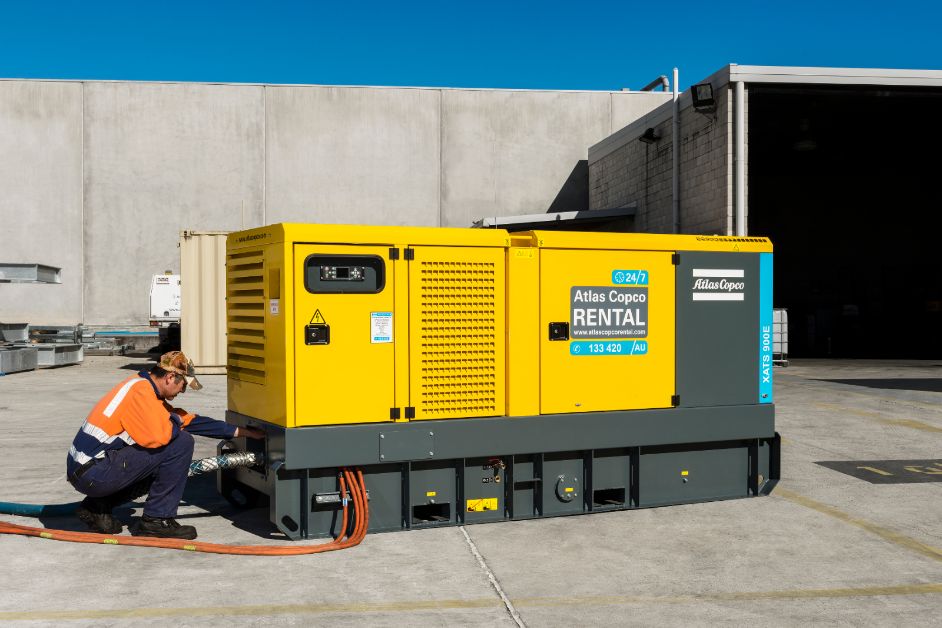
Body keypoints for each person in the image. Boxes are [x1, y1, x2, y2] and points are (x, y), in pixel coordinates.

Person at [66, 351, 264, 540]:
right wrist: (176, 421)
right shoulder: (141, 393)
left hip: (90, 471)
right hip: (94, 473)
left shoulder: (144, 387)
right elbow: (159, 437)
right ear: (170, 377)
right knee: (180, 444)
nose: (183, 391)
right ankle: (157, 519)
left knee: (166, 459)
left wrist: (244, 432)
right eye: (183, 385)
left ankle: (97, 507)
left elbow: (189, 421)